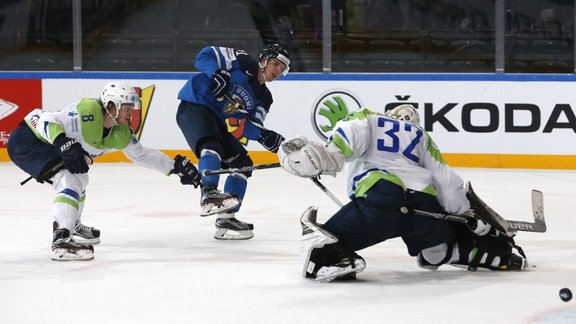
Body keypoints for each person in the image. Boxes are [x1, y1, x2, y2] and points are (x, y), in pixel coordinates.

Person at [278, 104, 528, 282]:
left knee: (320, 249)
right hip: (424, 208)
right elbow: (449, 185)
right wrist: (467, 217)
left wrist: (316, 158)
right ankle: (480, 253)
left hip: (382, 202)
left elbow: (339, 148)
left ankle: (338, 260)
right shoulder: (422, 136)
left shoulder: (370, 118)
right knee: (435, 253)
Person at [7, 82, 200, 261]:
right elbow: (47, 120)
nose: (130, 113)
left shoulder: (120, 132)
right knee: (69, 180)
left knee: (81, 177)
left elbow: (141, 154)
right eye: (126, 107)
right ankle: (61, 238)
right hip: (29, 141)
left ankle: (72, 223)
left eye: (131, 108)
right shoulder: (87, 111)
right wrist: (62, 142)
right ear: (111, 106)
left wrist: (174, 167)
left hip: (48, 145)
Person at [176, 43, 290, 240]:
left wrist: (266, 137)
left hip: (217, 120)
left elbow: (250, 126)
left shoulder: (264, 98)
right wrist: (215, 73)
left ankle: (226, 218)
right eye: (275, 64)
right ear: (263, 60)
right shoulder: (242, 61)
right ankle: (209, 192)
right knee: (212, 145)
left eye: (282, 68)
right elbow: (204, 55)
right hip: (194, 105)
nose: (278, 71)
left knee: (243, 164)